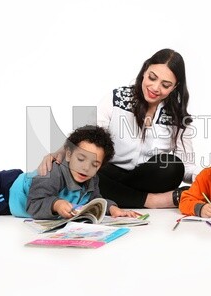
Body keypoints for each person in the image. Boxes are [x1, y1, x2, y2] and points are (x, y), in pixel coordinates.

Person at [38, 48, 199, 209]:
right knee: (90, 168)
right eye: (152, 77)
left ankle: (118, 196)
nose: (155, 88)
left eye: (165, 85)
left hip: (144, 179)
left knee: (173, 167)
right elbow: (89, 136)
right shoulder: (116, 99)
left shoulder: (178, 117)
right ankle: (152, 201)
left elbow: (186, 167)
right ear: (145, 70)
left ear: (175, 86)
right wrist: (62, 151)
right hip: (109, 172)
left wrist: (207, 178)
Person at [0, 125, 137, 220]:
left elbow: (95, 200)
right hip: (4, 192)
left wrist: (113, 209)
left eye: (94, 164)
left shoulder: (92, 180)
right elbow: (34, 203)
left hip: (19, 193)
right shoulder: (54, 173)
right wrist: (56, 205)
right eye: (80, 159)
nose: (85, 168)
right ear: (68, 154)